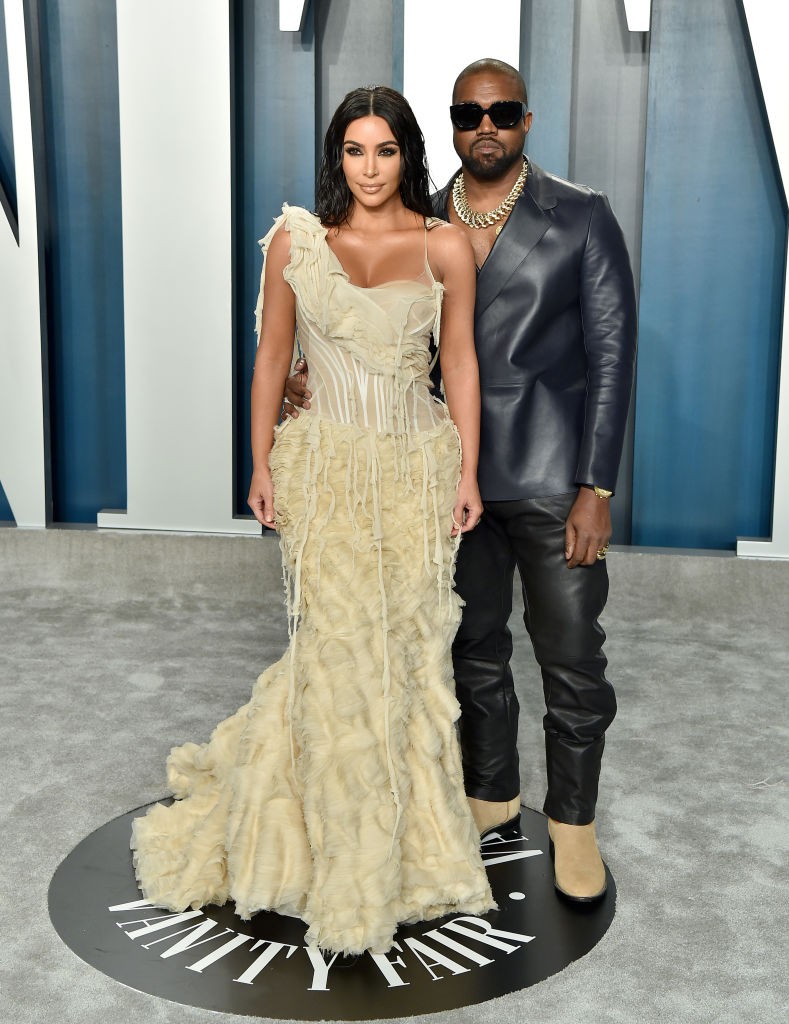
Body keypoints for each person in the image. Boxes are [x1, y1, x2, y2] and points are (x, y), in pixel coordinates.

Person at [130, 86, 494, 956]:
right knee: (335, 652)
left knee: (403, 657)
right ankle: (330, 857)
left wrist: (468, 473)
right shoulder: (297, 241)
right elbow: (270, 357)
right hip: (325, 472)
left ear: (408, 154)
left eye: (385, 151)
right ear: (336, 157)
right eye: (353, 151)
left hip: (414, 470)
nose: (368, 169)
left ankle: (410, 850)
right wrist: (257, 461)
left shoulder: (446, 244)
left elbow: (461, 364)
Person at [286, 60, 638, 904]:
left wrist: (598, 486)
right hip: (441, 471)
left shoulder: (580, 216)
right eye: (468, 112)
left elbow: (612, 354)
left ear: (526, 119)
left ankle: (572, 824)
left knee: (570, 657)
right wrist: (317, 374)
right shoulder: (419, 211)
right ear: (447, 125)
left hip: (552, 476)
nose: (486, 125)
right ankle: (491, 797)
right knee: (470, 648)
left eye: (503, 111)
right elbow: (388, 330)